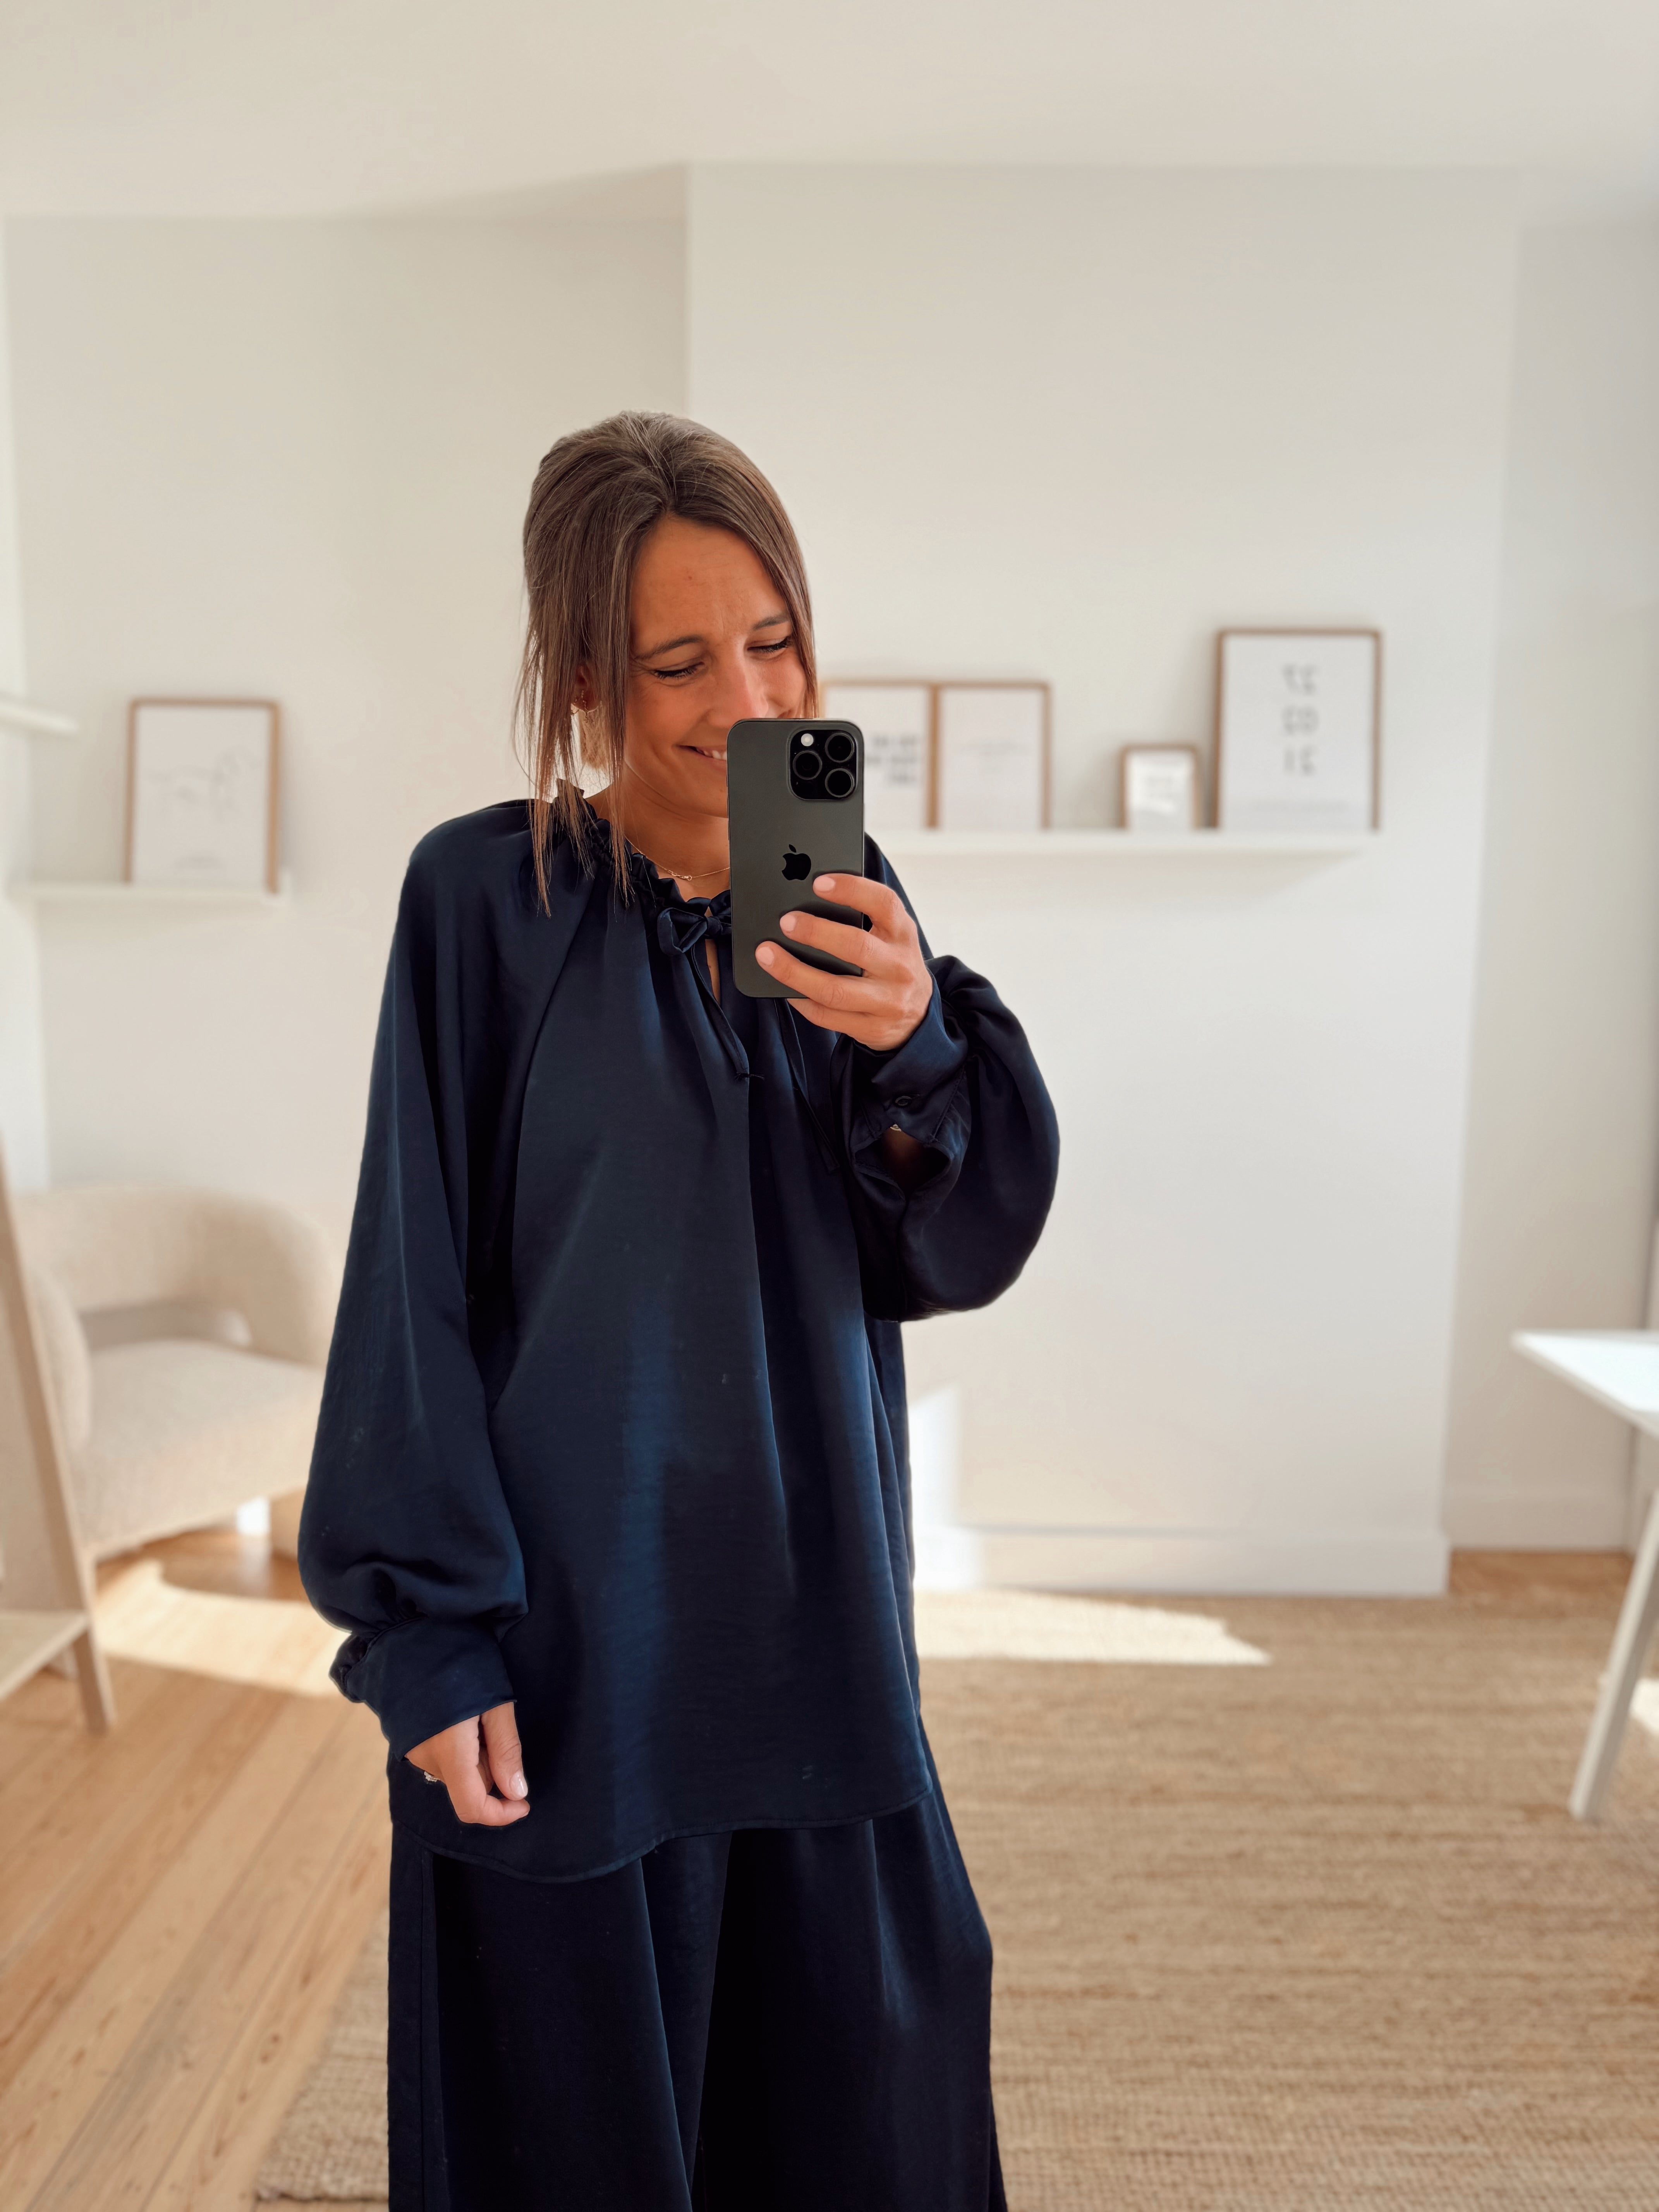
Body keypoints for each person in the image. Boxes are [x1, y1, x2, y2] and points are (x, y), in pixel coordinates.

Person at [299, 411, 1060, 2211]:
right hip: (574, 1650)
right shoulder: (480, 906)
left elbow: (950, 1253)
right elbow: (412, 1281)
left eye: (775, 642)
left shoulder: (845, 903)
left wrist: (919, 1044)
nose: (748, 696)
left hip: (814, 1624)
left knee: (870, 2108)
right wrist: (431, 1644)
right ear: (582, 675)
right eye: (679, 661)